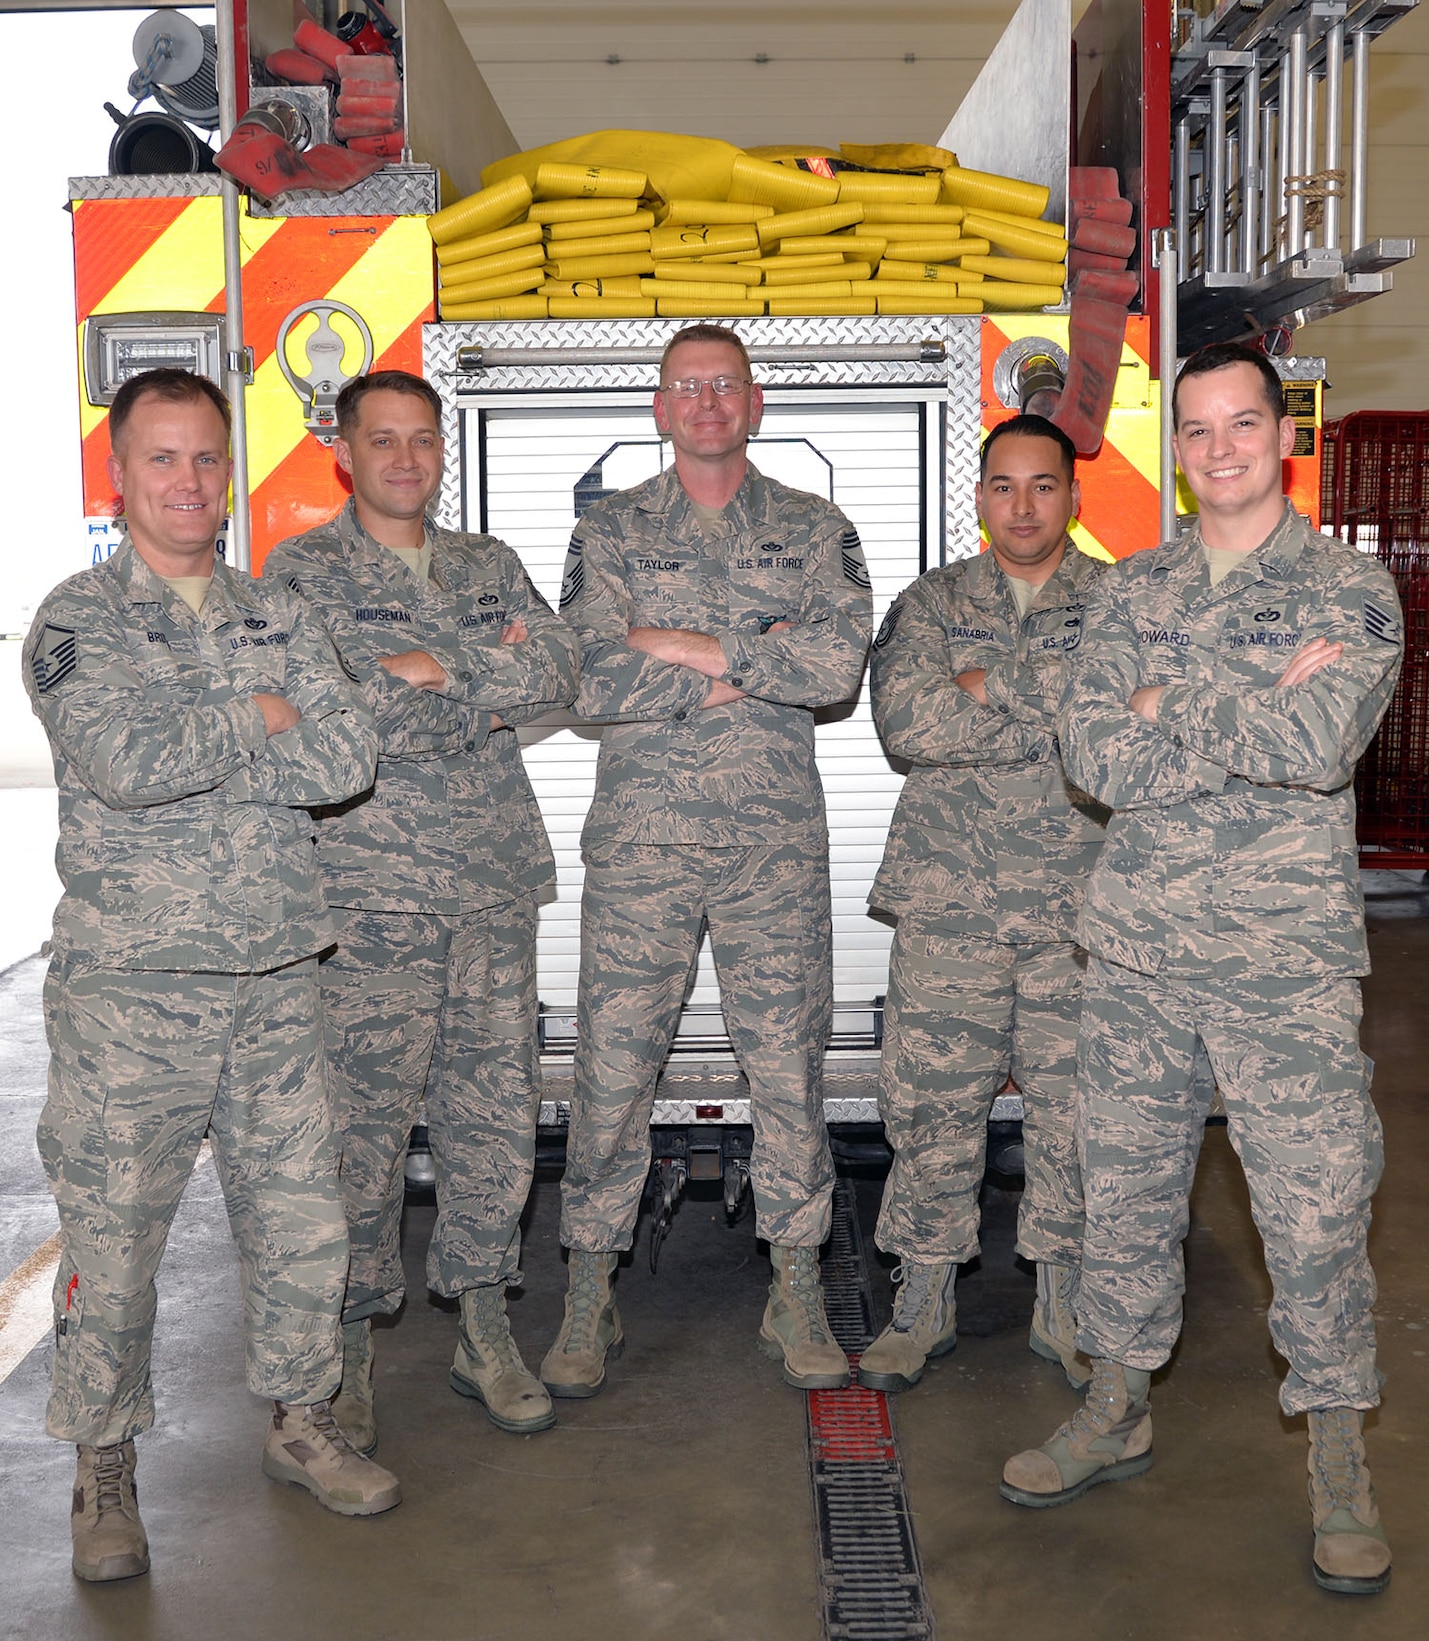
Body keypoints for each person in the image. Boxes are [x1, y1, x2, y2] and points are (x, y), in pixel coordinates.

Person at [1000, 343, 1402, 1599]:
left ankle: (1338, 1457)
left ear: (1277, 437)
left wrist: (1167, 698)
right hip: (1135, 953)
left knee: (1316, 1208)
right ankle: (1116, 1404)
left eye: (1240, 425)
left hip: (1281, 961)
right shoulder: (1133, 589)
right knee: (1120, 1191)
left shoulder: (1350, 588)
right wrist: (1232, 707)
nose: (1219, 447)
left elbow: (1317, 742)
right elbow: (1091, 757)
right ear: (1172, 449)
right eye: (1195, 429)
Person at [26, 369, 398, 1585]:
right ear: (119, 476)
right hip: (135, 989)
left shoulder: (277, 608)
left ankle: (301, 1421)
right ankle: (104, 1468)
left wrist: (250, 719)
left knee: (301, 1220)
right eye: (161, 461)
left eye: (205, 460)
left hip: (278, 973)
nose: (188, 483)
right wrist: (262, 714)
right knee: (119, 1233)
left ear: (227, 472)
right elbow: (126, 759)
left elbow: (346, 753)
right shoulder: (78, 621)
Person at [544, 324, 872, 1395]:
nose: (706, 401)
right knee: (611, 1068)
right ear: (658, 404)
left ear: (754, 399)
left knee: (787, 1071)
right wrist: (737, 670)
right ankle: (589, 1287)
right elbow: (584, 677)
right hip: (643, 845)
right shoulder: (611, 531)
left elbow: (832, 669)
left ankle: (796, 1289)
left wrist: (678, 643)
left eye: (723, 384)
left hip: (769, 847)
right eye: (686, 385)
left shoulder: (816, 528)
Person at [267, 371, 579, 1449]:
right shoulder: (300, 575)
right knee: (358, 1131)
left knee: (492, 1118)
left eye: (422, 441)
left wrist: (422, 669)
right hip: (366, 895)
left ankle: (483, 1326)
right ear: (343, 455)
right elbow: (316, 715)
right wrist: (468, 684)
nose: (406, 459)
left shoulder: (488, 564)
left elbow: (560, 667)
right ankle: (347, 1346)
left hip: (491, 883)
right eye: (382, 440)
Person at [860, 415, 1107, 1392]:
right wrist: (1049, 706)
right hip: (948, 903)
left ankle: (1065, 1298)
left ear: (1072, 496)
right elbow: (905, 721)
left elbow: (1123, 714)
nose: (1022, 506)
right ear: (979, 497)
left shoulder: (1121, 600)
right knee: (929, 1108)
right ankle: (922, 1298)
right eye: (1003, 486)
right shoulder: (932, 599)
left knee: (1076, 1112)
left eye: (1042, 486)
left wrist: (985, 689)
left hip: (1080, 907)